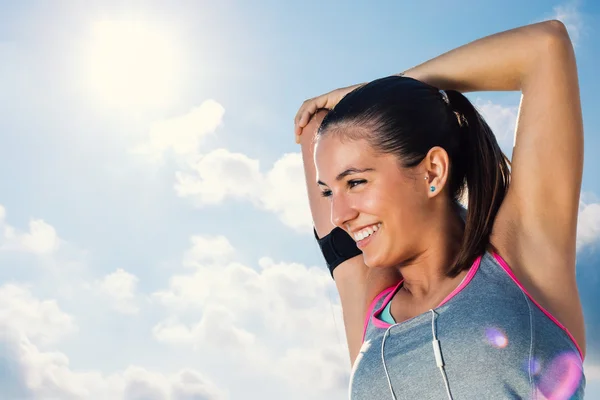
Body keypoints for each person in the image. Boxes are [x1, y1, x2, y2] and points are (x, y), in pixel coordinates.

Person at [295, 20, 586, 399]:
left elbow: (544, 47)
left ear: (433, 171)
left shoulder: (521, 257)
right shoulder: (369, 298)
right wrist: (385, 99)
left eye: (355, 183)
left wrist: (397, 91)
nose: (339, 215)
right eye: (329, 192)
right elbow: (313, 123)